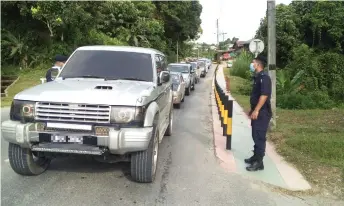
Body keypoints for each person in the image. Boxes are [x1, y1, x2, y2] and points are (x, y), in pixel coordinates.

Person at [245, 55, 272, 172]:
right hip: (257, 111)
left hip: (262, 113)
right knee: (255, 135)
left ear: (258, 64)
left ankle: (259, 162)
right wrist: (252, 110)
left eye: (254, 62)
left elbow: (264, 95)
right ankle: (255, 157)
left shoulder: (264, 78)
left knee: (260, 137)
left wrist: (256, 110)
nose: (252, 64)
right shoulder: (258, 77)